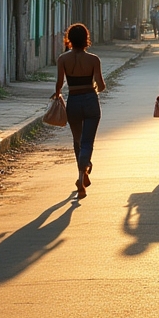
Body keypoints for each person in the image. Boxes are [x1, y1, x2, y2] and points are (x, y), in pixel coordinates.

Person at [52, 23, 106, 199]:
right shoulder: (93, 59)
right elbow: (102, 85)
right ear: (86, 39)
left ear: (69, 39)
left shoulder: (62, 59)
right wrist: (94, 87)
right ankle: (85, 167)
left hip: (73, 101)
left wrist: (58, 94)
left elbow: (59, 85)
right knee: (87, 141)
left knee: (77, 140)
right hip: (90, 100)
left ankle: (80, 174)